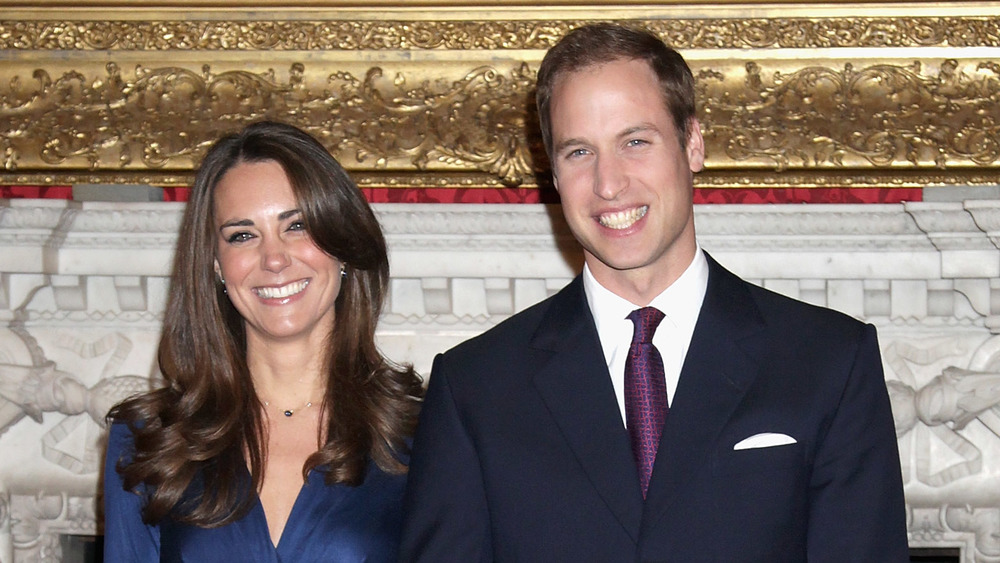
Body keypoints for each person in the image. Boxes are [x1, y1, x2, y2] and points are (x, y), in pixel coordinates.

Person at [400, 23, 909, 562]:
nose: (608, 183)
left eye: (635, 142)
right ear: (552, 171)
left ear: (692, 144)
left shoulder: (829, 361)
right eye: (578, 153)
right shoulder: (474, 388)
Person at [104, 121, 423, 562]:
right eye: (243, 235)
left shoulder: (425, 433)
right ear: (216, 265)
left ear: (341, 245)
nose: (274, 259)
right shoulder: (148, 439)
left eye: (297, 226)